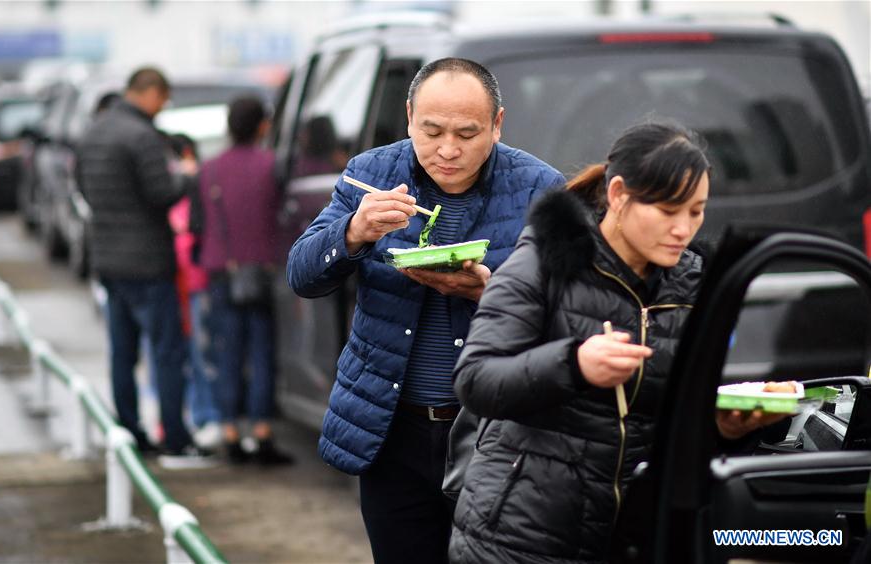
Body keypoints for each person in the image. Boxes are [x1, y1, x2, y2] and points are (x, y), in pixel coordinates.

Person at [448, 121, 787, 563]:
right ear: (618, 195)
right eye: (668, 211)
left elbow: (674, 419)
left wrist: (727, 428)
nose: (683, 229)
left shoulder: (694, 286)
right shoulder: (543, 263)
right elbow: (476, 380)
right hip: (523, 537)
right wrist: (573, 363)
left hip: (639, 534)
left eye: (696, 211)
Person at [287, 58, 566, 564]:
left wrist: (489, 292)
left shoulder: (540, 189)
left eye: (467, 133)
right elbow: (302, 276)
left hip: (494, 433)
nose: (448, 150)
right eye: (432, 130)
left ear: (497, 125)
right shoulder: (371, 173)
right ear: (410, 116)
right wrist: (355, 231)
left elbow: (570, 312)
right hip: (392, 427)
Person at [76, 67, 213, 467]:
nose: (163, 107)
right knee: (168, 352)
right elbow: (161, 194)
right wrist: (187, 177)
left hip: (107, 260)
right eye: (163, 99)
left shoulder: (94, 132)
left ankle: (130, 432)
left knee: (122, 351)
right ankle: (174, 436)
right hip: (149, 263)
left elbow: (83, 189)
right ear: (151, 92)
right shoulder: (142, 136)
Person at [192, 96, 291, 465]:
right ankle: (262, 432)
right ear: (262, 126)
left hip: (222, 271)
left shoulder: (210, 168)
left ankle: (230, 430)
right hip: (264, 271)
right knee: (263, 352)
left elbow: (197, 223)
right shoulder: (272, 165)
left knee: (226, 352)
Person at [166, 133, 222, 449]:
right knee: (181, 355)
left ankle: (208, 416)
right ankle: (188, 416)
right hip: (174, 283)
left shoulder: (198, 186)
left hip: (197, 282)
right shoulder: (170, 190)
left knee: (203, 355)